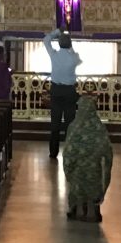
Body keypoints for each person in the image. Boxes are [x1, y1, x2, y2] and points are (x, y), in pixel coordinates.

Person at [61, 94, 113, 222]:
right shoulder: (99, 127)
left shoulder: (73, 127)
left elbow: (67, 151)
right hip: (94, 171)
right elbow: (107, 151)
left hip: (77, 171)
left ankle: (78, 210)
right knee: (92, 179)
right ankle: (91, 211)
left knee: (78, 180)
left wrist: (69, 169)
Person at [43, 27, 82, 158]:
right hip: (69, 92)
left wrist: (57, 32)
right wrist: (70, 47)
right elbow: (79, 60)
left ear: (59, 43)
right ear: (70, 44)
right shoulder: (74, 58)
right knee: (70, 123)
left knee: (55, 123)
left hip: (56, 90)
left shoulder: (54, 55)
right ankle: (70, 152)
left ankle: (53, 152)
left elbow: (46, 40)